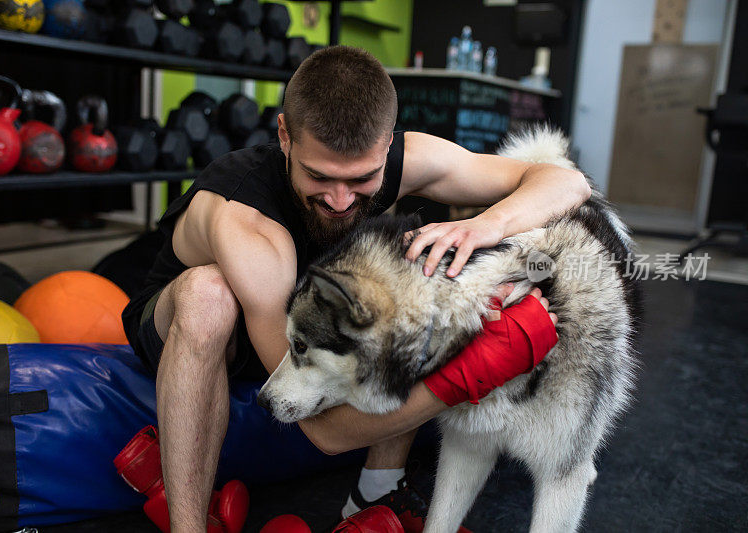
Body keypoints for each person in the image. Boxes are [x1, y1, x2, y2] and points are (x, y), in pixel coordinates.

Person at [121, 45, 591, 533]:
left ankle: (374, 495)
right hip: (211, 327)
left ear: (387, 144)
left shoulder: (405, 159)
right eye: (318, 176)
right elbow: (324, 433)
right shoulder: (250, 226)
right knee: (209, 294)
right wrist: (476, 369)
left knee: (411, 262)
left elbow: (564, 182)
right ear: (284, 135)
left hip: (313, 316)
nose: (341, 200)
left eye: (362, 179)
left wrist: (487, 225)